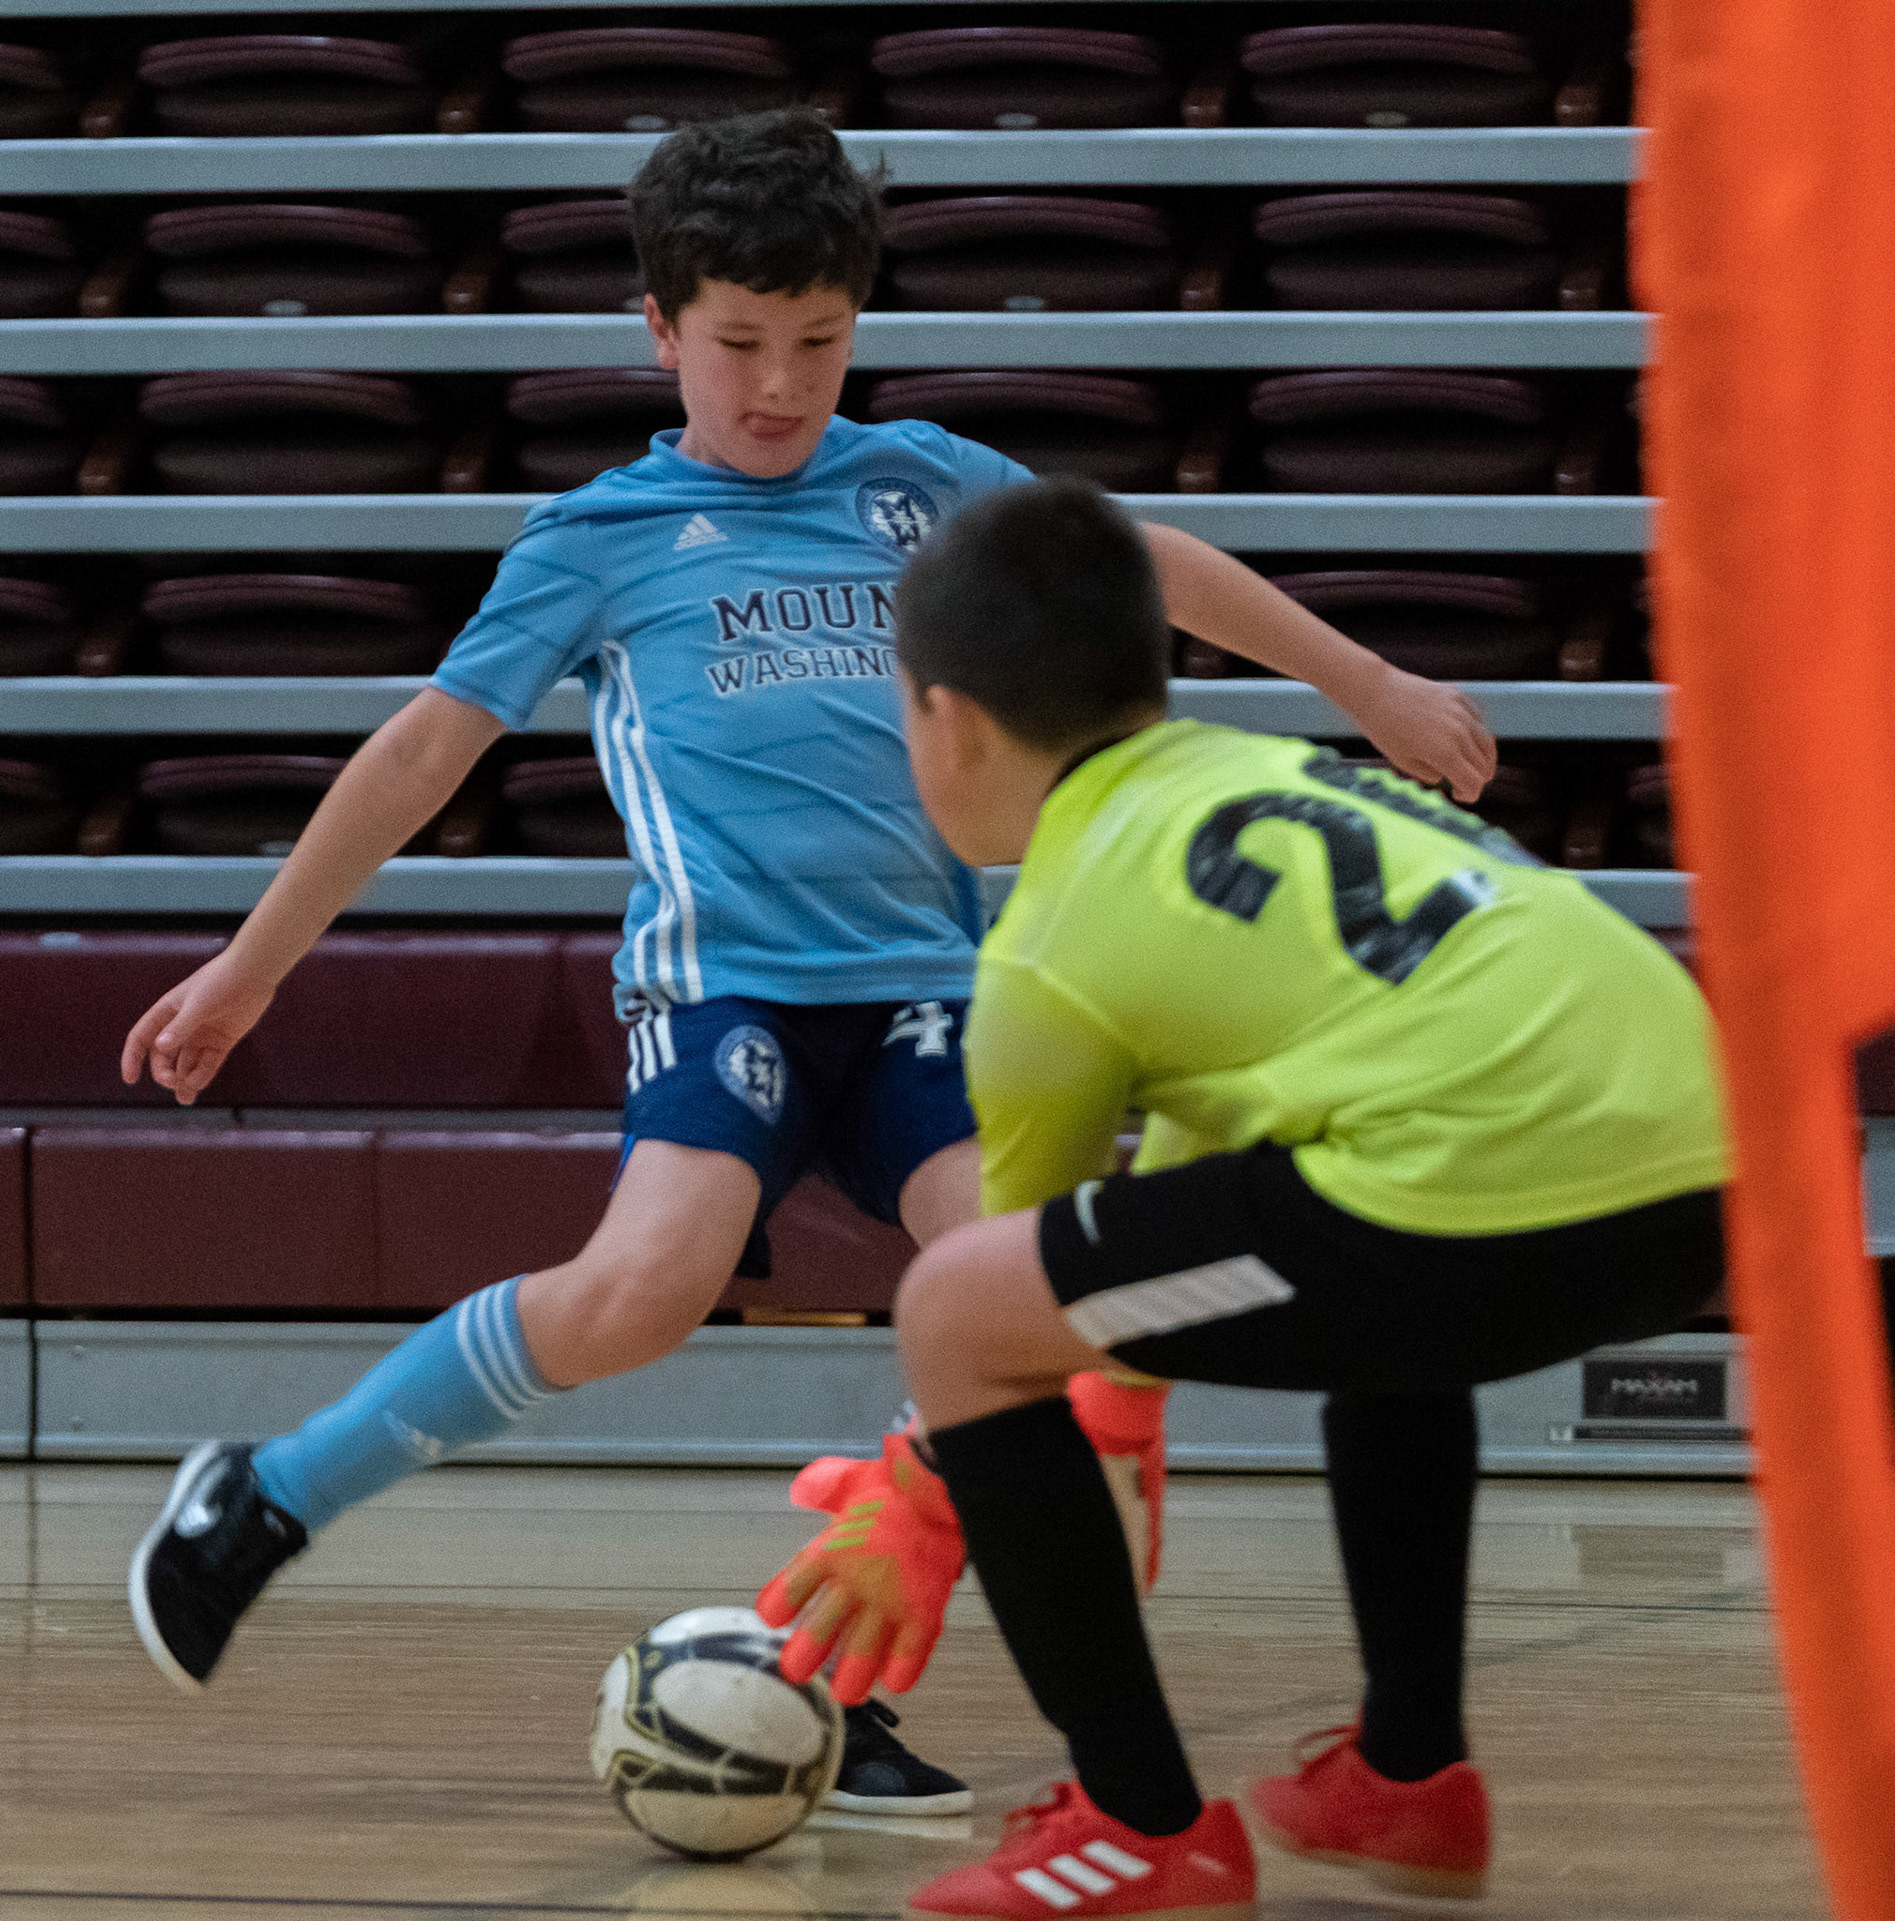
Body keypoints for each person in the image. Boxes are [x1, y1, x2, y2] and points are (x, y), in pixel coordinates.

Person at [119, 109, 1493, 1818]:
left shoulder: (921, 479)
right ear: (658, 331)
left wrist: (1365, 685)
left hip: (937, 981)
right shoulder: (602, 537)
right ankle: (268, 1490)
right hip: (731, 988)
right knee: (646, 1289)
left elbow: (1149, 567)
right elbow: (419, 753)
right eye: (740, 346)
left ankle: (845, 1672)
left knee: (1025, 1324)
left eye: (819, 344)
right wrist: (256, 966)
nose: (780, 386)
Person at [758, 477, 1727, 1904]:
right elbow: (1182, 1212)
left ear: (944, 718)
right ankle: (1408, 1778)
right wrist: (1108, 1407)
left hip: (1489, 1183)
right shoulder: (1254, 772)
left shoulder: (1052, 938)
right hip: (1703, 1163)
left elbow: (1018, 1306)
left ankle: (1140, 1823)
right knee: (1377, 1298)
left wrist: (920, 1490)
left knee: (955, 1305)